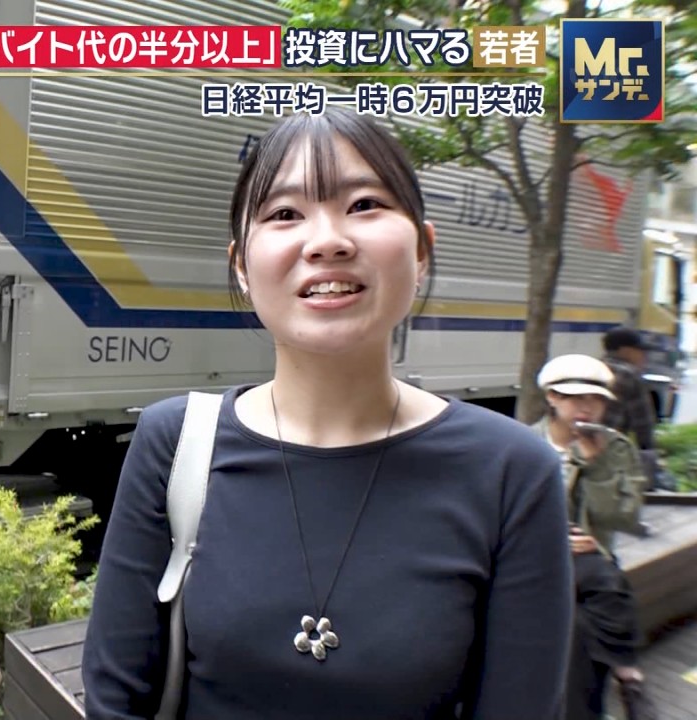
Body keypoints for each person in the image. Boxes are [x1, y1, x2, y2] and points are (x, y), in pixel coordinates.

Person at [81, 110, 574, 719]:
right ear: (241, 266)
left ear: (422, 249)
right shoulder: (176, 444)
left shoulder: (513, 471)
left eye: (365, 204)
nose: (327, 241)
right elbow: (116, 700)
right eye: (285, 213)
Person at [530, 354, 655, 720]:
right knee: (599, 589)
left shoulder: (615, 448)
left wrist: (597, 465)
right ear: (552, 397)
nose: (587, 407)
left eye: (597, 399)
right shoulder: (523, 443)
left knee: (581, 628)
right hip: (533, 559)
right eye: (576, 397)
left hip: (591, 562)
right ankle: (630, 675)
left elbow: (624, 518)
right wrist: (553, 540)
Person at [601, 327, 657, 451]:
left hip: (581, 444)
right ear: (625, 351)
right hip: (609, 448)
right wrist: (648, 452)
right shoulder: (629, 375)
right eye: (640, 351)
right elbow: (643, 423)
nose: (644, 357)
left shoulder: (594, 368)